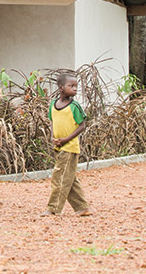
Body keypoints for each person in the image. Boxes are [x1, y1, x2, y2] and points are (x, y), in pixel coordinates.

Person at [42, 73, 92, 216]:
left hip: (70, 147)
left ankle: (53, 208)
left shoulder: (74, 106)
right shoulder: (53, 104)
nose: (75, 89)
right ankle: (82, 207)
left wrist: (66, 139)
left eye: (76, 86)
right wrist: (53, 137)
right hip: (58, 146)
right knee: (69, 178)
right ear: (61, 88)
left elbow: (82, 126)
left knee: (60, 177)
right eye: (71, 86)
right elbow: (53, 122)